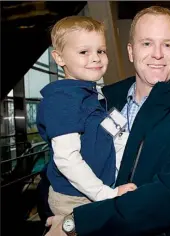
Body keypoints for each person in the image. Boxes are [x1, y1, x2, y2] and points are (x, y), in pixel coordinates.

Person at [45, 6, 170, 236]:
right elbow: (58, 163)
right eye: (146, 43)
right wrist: (54, 217)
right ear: (130, 51)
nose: (157, 54)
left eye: (167, 44)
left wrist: (77, 222)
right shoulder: (101, 100)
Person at [36, 16, 137, 217]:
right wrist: (106, 194)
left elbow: (112, 135)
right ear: (59, 58)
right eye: (84, 52)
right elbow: (67, 159)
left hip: (93, 192)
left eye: (101, 51)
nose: (96, 58)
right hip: (74, 199)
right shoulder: (63, 100)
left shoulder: (91, 94)